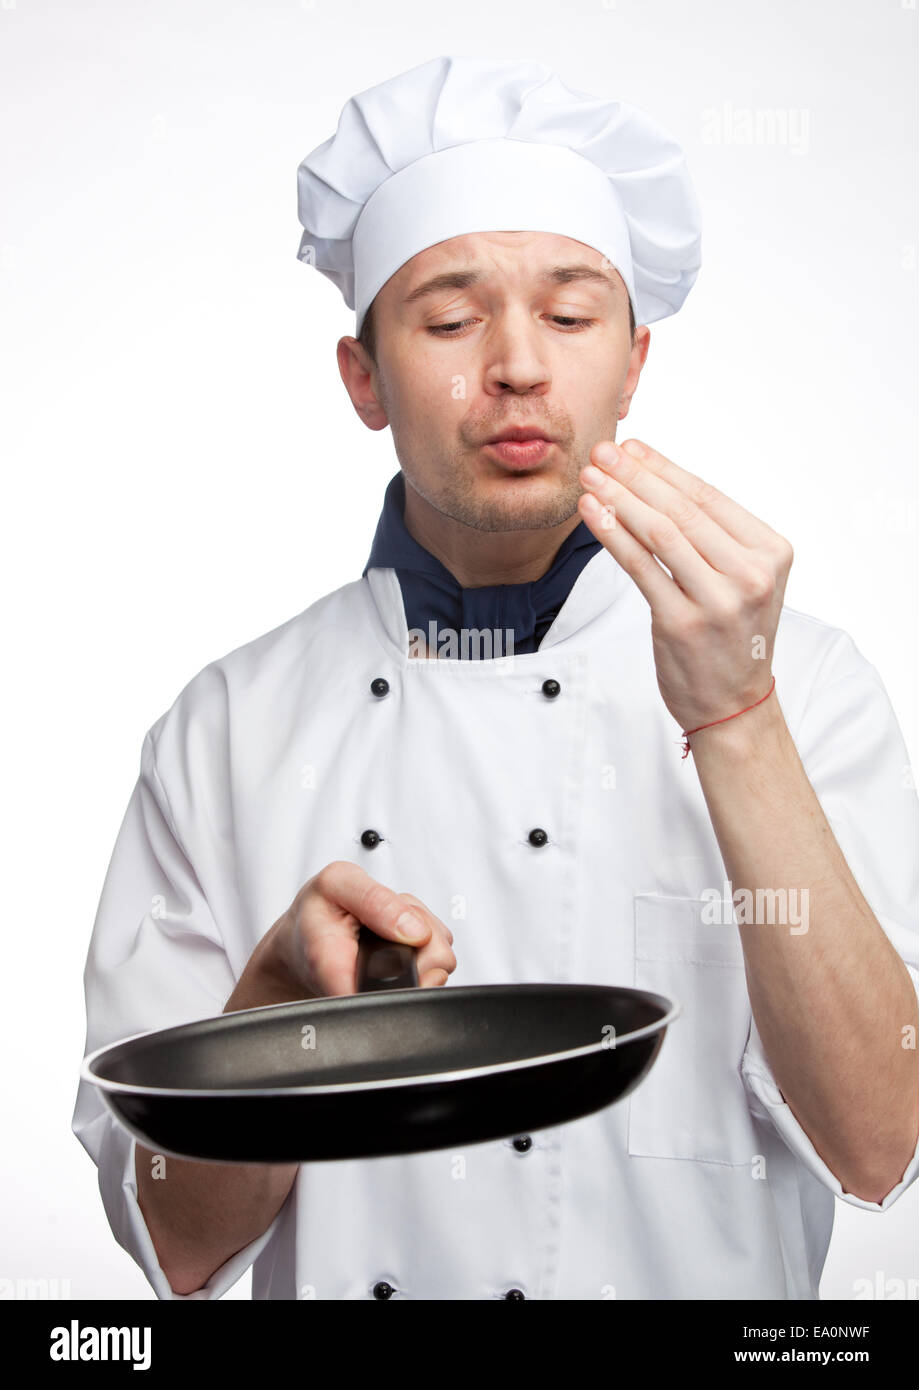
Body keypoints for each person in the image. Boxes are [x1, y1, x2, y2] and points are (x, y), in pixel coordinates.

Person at [72, 53, 919, 1301]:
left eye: (572, 316)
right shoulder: (230, 728)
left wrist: (735, 718)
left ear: (633, 364)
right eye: (452, 318)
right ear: (364, 378)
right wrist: (277, 1017)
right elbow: (178, 1243)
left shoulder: (805, 681)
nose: (517, 366)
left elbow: (879, 1142)